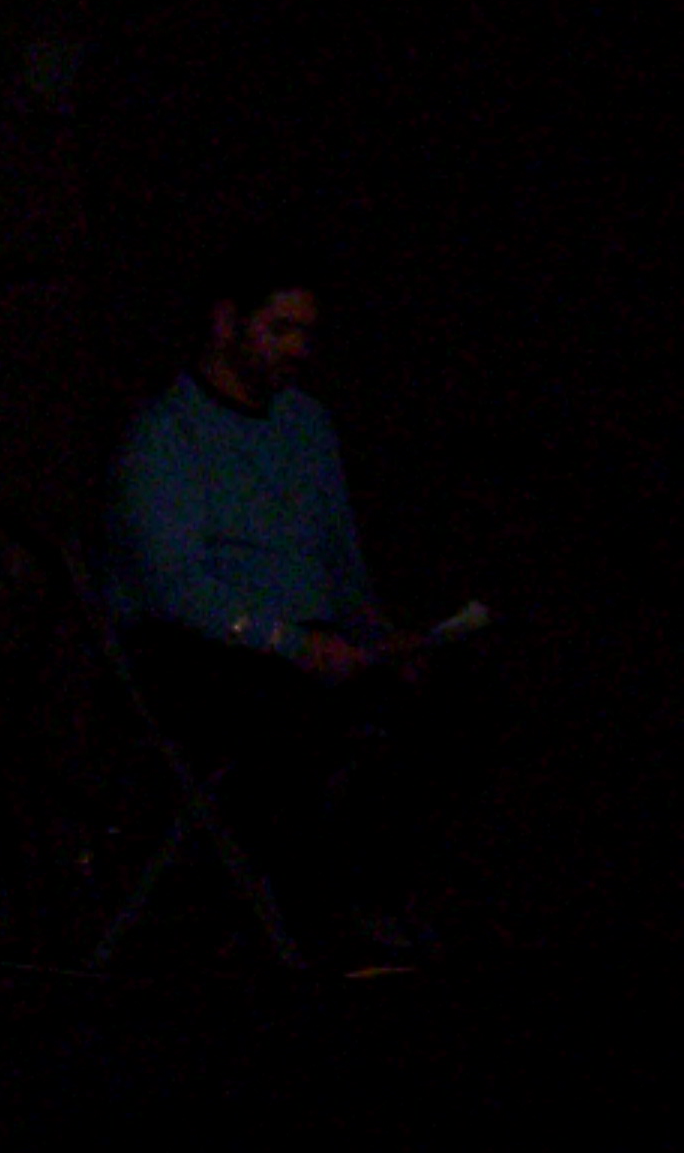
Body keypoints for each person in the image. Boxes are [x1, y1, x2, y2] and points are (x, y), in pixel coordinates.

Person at [104, 242, 434, 958]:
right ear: (228, 323)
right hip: (213, 651)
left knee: (441, 704)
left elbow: (340, 560)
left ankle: (377, 898)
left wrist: (377, 635)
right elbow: (177, 589)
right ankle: (304, 918)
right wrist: (292, 644)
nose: (296, 350)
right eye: (279, 329)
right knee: (293, 724)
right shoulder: (168, 435)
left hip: (311, 642)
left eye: (305, 333)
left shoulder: (307, 425)